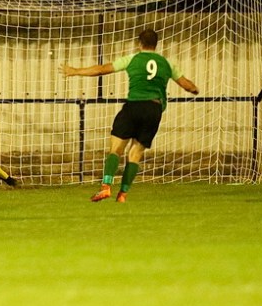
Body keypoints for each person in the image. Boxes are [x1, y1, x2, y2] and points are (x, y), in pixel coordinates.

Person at [61, 28, 199, 203]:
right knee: (135, 154)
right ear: (155, 44)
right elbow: (186, 85)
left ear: (139, 43)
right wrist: (195, 89)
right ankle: (123, 195)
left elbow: (102, 69)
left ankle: (106, 186)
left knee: (116, 149)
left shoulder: (133, 58)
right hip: (154, 110)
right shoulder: (167, 63)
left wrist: (75, 71)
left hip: (134, 105)